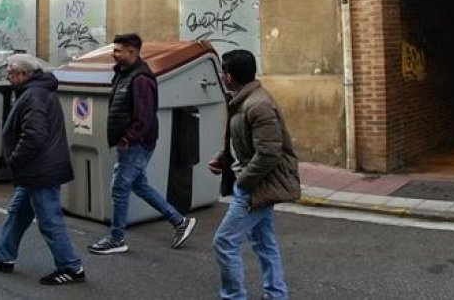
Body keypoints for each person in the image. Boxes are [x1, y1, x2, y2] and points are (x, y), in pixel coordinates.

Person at [0, 54, 85, 286]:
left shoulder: (34, 95)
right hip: (36, 169)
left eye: (10, 72)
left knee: (49, 220)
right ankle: (3, 256)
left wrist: (15, 160)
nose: (7, 76)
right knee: (17, 213)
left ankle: (71, 267)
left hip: (40, 170)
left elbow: (34, 136)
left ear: (24, 75)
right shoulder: (33, 92)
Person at [88, 33, 196, 255]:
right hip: (129, 142)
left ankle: (116, 238)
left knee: (119, 187)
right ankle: (179, 221)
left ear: (132, 52)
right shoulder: (123, 75)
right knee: (138, 185)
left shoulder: (140, 79)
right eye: (114, 49)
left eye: (118, 50)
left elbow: (144, 116)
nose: (113, 54)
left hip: (136, 143)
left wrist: (128, 138)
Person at [209, 49, 300, 300]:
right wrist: (224, 158)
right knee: (264, 243)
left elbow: (269, 153)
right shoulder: (242, 99)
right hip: (252, 182)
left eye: (223, 71)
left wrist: (244, 181)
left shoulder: (258, 104)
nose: (221, 75)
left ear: (229, 75)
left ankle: (233, 296)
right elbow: (243, 140)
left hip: (254, 186)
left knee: (224, 242)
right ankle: (276, 294)